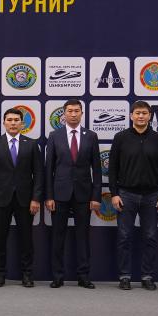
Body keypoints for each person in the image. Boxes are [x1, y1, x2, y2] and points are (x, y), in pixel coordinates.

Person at [109, 100, 158, 291]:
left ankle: (147, 276)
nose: (141, 116)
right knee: (124, 237)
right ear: (131, 116)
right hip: (126, 194)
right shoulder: (120, 138)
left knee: (150, 237)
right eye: (137, 113)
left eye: (144, 113)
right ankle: (124, 276)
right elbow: (112, 169)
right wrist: (114, 194)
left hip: (152, 196)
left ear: (150, 116)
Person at [44, 100, 102, 288]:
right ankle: (57, 276)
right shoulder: (55, 136)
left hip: (84, 195)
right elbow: (49, 169)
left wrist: (96, 197)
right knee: (58, 236)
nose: (73, 114)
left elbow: (97, 169)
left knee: (83, 236)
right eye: (70, 111)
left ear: (82, 113)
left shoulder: (91, 136)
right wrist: (49, 196)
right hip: (59, 194)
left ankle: (83, 276)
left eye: (77, 111)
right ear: (64, 114)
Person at [0, 108, 43, 288]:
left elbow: (38, 174)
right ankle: (0, 275)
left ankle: (27, 275)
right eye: (9, 120)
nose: (13, 123)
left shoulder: (31, 144)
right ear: (4, 122)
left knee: (26, 239)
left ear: (22, 123)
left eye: (16, 120)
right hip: (1, 199)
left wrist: (36, 198)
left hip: (25, 200)